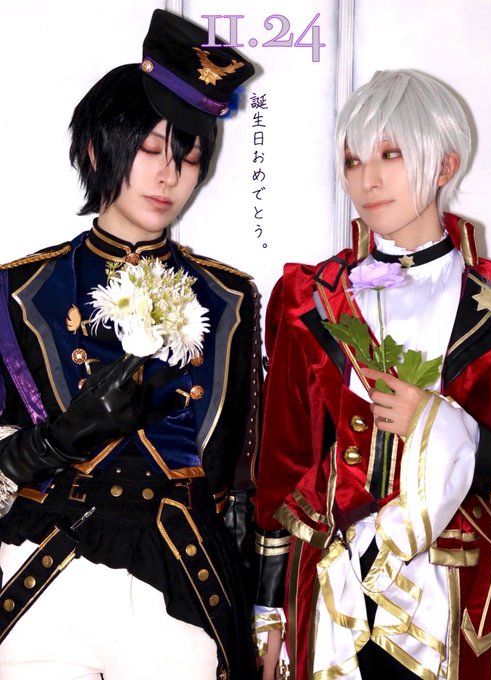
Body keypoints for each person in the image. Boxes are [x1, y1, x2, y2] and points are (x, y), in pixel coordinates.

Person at [0, 9, 260, 680]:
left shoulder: (229, 299)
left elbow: (241, 482)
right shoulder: (20, 292)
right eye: (149, 149)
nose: (169, 175)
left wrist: (265, 609)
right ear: (96, 150)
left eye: (190, 157)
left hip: (180, 579)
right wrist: (58, 440)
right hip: (46, 573)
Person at [253, 69, 491, 679]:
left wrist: (447, 426)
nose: (367, 179)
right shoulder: (308, 299)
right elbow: (282, 468)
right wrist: (268, 613)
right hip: (332, 596)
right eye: (353, 160)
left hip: (460, 606)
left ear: (446, 164)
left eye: (391, 154)